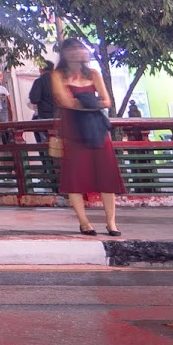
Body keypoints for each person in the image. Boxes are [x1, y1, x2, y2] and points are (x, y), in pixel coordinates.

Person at [49, 37, 124, 236]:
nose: (76, 52)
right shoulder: (58, 75)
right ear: (64, 54)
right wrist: (92, 101)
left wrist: (83, 102)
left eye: (79, 48)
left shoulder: (93, 73)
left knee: (106, 174)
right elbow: (65, 101)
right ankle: (84, 222)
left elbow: (107, 101)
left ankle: (111, 222)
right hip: (73, 129)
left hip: (97, 128)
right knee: (75, 177)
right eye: (71, 49)